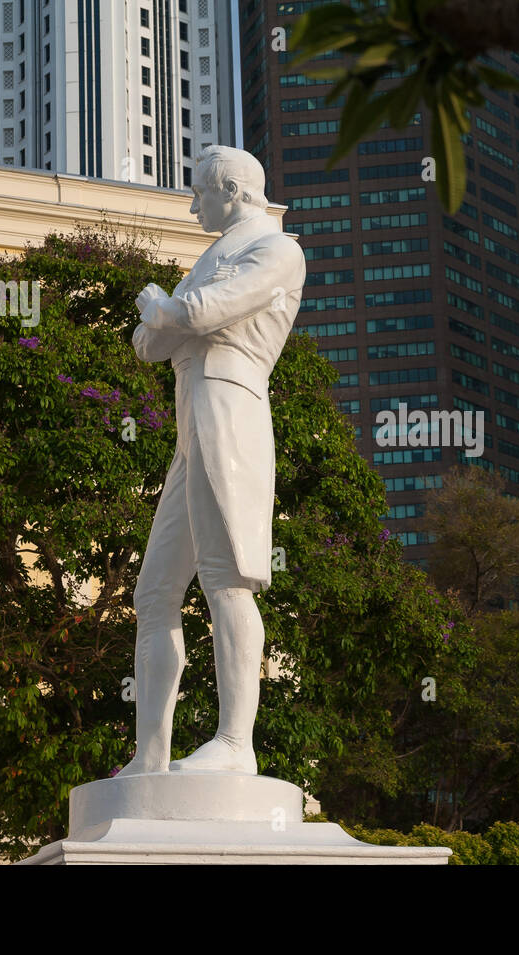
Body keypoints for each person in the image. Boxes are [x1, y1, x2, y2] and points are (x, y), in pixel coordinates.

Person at [116, 145, 306, 776]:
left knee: (227, 576)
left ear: (232, 189)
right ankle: (151, 755)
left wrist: (168, 311)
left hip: (231, 410)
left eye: (200, 192)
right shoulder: (211, 257)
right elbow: (149, 344)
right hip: (190, 426)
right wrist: (168, 317)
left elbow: (198, 312)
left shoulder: (277, 250)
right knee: (154, 593)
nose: (193, 203)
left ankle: (234, 744)